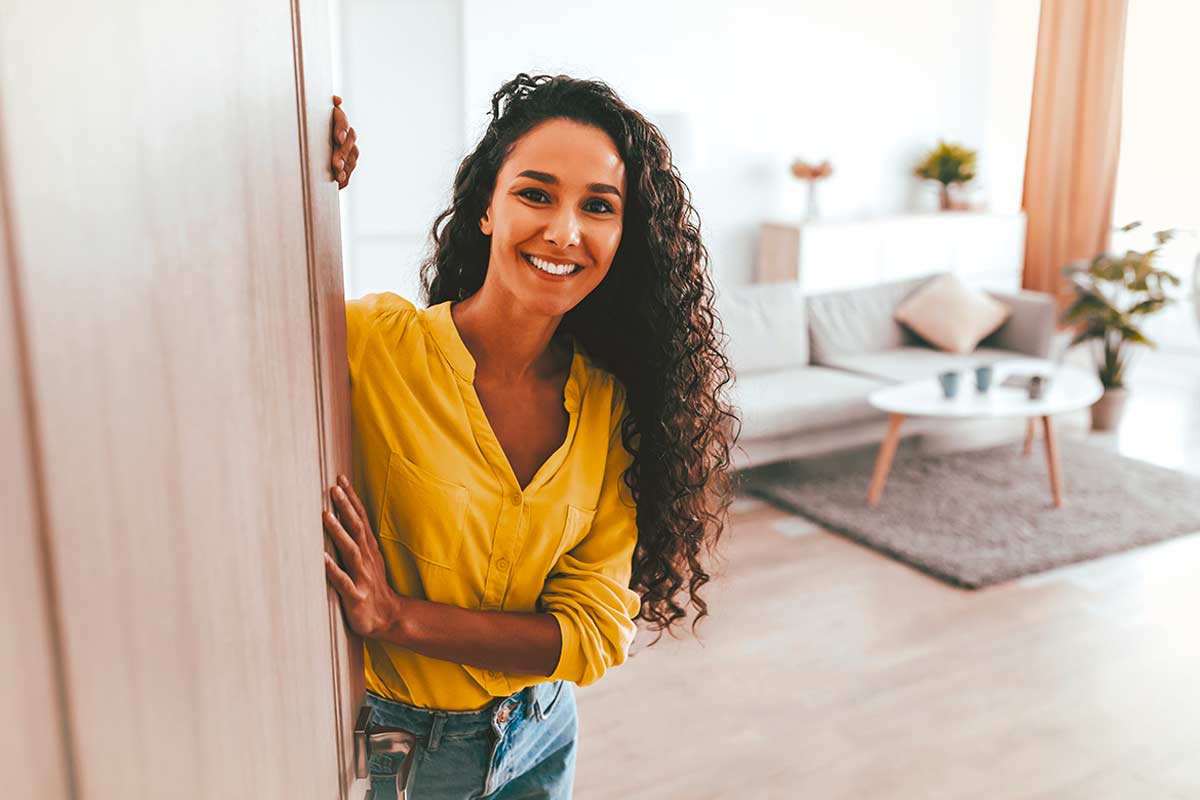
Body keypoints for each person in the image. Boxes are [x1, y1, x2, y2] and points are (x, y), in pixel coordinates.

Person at [321, 73, 740, 799]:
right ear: (487, 206)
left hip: (541, 727)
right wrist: (293, 179)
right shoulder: (372, 346)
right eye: (536, 194)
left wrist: (399, 617)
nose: (564, 231)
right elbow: (229, 304)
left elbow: (593, 634)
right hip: (409, 748)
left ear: (622, 235)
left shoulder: (612, 408)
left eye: (598, 206)